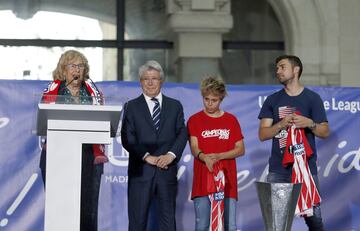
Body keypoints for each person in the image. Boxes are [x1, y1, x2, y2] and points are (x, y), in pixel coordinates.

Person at [258, 55, 330, 230]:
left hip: (305, 169)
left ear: (296, 70)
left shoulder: (313, 98)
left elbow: (325, 132)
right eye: (277, 68)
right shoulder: (272, 100)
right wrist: (281, 124)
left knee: (315, 220)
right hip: (278, 170)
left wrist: (309, 123)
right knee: (278, 224)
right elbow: (263, 134)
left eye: (282, 67)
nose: (278, 71)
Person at [39, 50, 107, 231]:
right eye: (72, 66)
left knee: (87, 210)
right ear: (63, 69)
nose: (77, 70)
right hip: (57, 155)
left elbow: (102, 121)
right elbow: (44, 118)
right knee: (60, 208)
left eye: (80, 66)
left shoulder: (93, 92)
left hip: (88, 156)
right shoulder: (53, 91)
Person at [121, 60, 188, 231]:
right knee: (137, 222)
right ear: (140, 82)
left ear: (161, 81)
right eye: (146, 79)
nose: (150, 83)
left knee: (167, 221)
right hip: (141, 171)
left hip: (167, 171)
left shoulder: (175, 105)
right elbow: (128, 137)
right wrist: (146, 156)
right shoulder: (131, 107)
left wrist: (170, 155)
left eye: (154, 78)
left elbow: (182, 132)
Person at [187, 76, 245, 231]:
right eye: (206, 99)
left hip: (227, 182)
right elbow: (194, 146)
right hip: (203, 181)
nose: (210, 103)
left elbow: (240, 149)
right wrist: (204, 157)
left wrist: (220, 156)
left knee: (229, 226)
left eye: (214, 100)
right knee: (202, 226)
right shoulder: (194, 120)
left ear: (221, 99)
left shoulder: (231, 120)